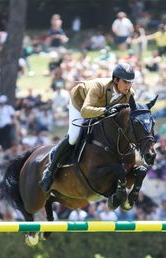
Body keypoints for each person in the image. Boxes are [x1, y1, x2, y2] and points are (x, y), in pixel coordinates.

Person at [40, 63, 136, 192]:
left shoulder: (129, 93)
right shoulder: (99, 87)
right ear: (116, 80)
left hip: (102, 108)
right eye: (125, 82)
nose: (128, 86)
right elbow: (86, 111)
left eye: (130, 83)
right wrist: (106, 111)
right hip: (80, 104)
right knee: (74, 136)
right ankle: (50, 171)